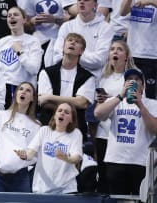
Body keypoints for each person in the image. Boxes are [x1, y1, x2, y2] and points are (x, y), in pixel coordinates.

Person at [94, 68, 157, 195]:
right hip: (115, 160)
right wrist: (120, 96)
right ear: (123, 85)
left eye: (136, 80)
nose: (132, 82)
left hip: (140, 162)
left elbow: (154, 129)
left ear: (143, 86)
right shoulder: (115, 102)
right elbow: (98, 114)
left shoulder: (152, 104)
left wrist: (140, 105)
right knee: (116, 198)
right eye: (129, 80)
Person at [94, 40, 135, 193]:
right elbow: (98, 109)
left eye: (119, 49)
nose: (115, 52)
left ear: (127, 56)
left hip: (123, 133)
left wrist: (113, 98)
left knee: (122, 179)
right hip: (104, 133)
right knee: (104, 178)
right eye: (112, 49)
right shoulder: (103, 78)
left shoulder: (133, 77)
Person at [38, 33, 95, 142]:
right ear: (63, 48)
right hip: (49, 126)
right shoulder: (46, 72)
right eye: (70, 40)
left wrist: (50, 97)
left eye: (77, 42)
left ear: (81, 51)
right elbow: (44, 102)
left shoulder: (88, 77)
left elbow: (82, 103)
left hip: (75, 128)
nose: (72, 42)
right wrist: (73, 103)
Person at [15, 102, 83, 194]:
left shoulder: (75, 133)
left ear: (71, 119)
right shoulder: (44, 130)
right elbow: (31, 153)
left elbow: (77, 158)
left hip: (66, 189)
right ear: (55, 115)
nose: (62, 113)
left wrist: (66, 158)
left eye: (67, 112)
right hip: (42, 189)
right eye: (59, 111)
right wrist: (25, 155)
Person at [0, 82, 41, 192]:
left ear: (32, 99)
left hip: (21, 177)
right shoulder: (0, 116)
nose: (23, 91)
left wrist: (25, 156)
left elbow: (36, 156)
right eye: (21, 89)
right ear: (15, 94)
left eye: (28, 90)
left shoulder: (36, 125)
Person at [0, 7, 43, 108]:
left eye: (16, 14)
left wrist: (20, 52)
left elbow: (34, 69)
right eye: (9, 15)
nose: (12, 17)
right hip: (3, 89)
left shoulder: (33, 41)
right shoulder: (1, 42)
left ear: (24, 20)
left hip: (22, 89)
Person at [52, 0, 114, 78]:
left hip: (93, 79)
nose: (82, 2)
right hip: (66, 77)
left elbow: (99, 60)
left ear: (95, 4)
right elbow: (57, 57)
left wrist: (72, 55)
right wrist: (83, 57)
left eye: (86, 0)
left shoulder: (106, 28)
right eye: (79, 0)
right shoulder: (66, 26)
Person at [121, 0, 157, 99]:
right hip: (132, 53)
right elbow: (122, 12)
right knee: (130, 95)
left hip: (152, 55)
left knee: (150, 96)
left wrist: (150, 2)